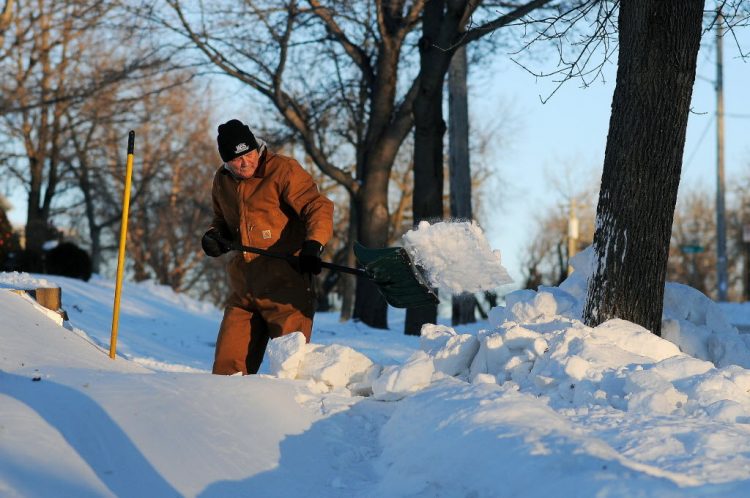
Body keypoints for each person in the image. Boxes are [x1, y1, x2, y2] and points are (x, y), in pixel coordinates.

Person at [202, 119, 334, 375]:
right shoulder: (222, 180)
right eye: (237, 159)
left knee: (290, 372)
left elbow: (317, 206)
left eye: (249, 154)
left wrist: (313, 244)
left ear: (257, 148)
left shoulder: (283, 170)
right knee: (226, 372)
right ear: (226, 162)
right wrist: (214, 237)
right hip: (244, 289)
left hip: (285, 289)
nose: (246, 162)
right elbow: (221, 221)